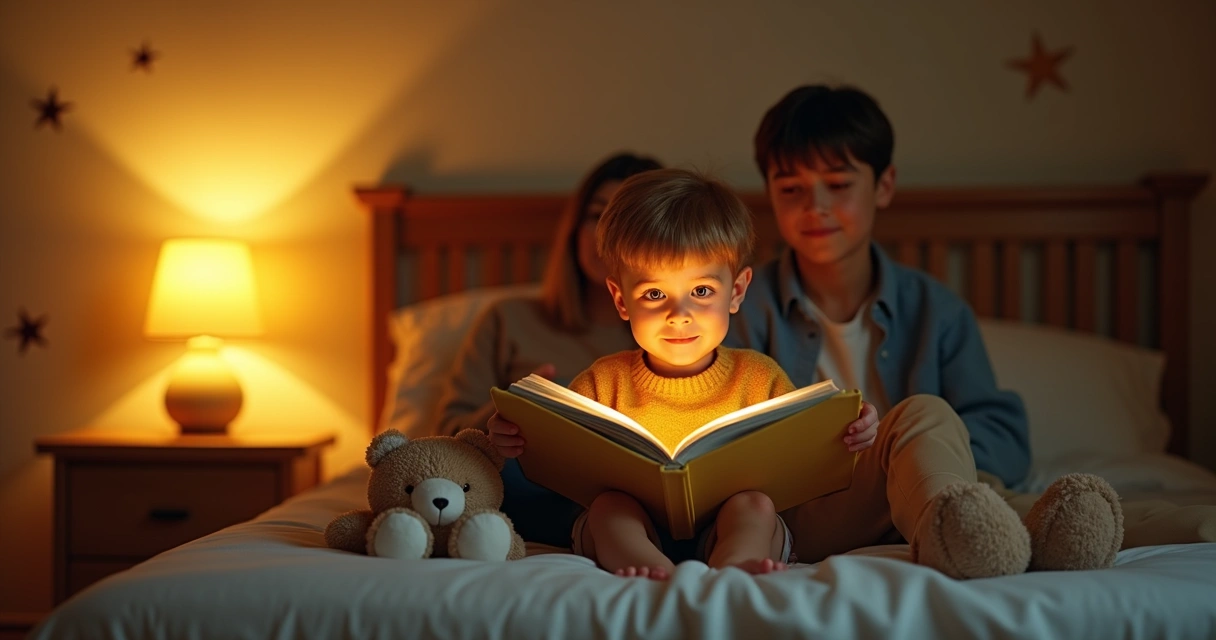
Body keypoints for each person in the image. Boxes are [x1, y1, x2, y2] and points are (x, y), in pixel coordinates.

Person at [491, 168, 1057, 582]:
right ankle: (652, 574)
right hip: (639, 525)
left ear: (736, 292)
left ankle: (736, 570)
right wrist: (514, 441)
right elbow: (555, 458)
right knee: (610, 509)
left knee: (755, 506)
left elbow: (806, 452)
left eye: (702, 292)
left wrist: (855, 434)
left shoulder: (757, 374)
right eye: (654, 294)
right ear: (621, 299)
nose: (678, 314)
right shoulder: (602, 379)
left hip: (741, 518)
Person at [726, 84, 1130, 568]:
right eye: (791, 188)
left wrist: (917, 458)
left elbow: (1001, 437)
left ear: (884, 185)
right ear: (769, 192)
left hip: (924, 492)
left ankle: (1066, 528)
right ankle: (958, 530)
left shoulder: (935, 310)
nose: (815, 205)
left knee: (1139, 521)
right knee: (925, 415)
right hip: (801, 515)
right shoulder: (739, 308)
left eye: (837, 184)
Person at [434, 152, 661, 546]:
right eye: (595, 215)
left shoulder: (681, 333)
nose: (604, 233)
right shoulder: (508, 320)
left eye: (626, 218)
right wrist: (508, 408)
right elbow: (443, 440)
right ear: (574, 229)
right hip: (529, 492)